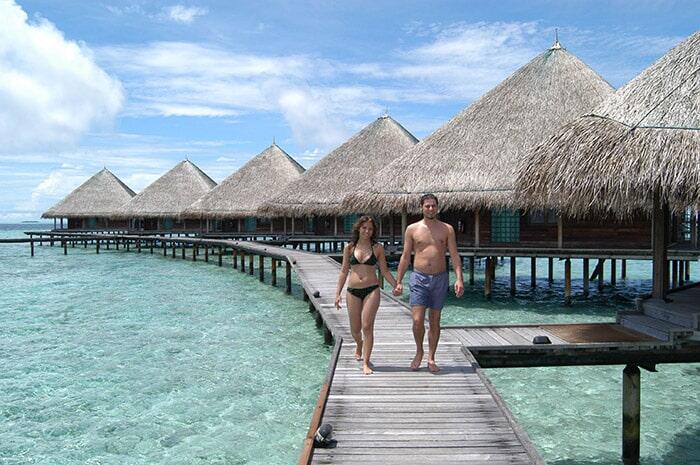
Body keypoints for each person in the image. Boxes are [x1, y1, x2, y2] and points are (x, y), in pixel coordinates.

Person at [393, 194, 464, 373]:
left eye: (433, 206)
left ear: (437, 207)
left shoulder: (447, 229)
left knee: (435, 320)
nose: (430, 209)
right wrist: (398, 281)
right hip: (419, 277)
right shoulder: (412, 229)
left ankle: (431, 357)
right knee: (417, 320)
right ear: (422, 207)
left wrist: (459, 279)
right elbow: (405, 256)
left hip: (440, 278)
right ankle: (419, 351)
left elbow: (454, 255)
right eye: (427, 206)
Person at [335, 216, 398, 375]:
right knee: (355, 329)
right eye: (364, 228)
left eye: (370, 229)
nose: (367, 231)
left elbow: (384, 271)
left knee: (367, 326)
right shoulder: (349, 248)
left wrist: (396, 284)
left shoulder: (377, 248)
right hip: (352, 291)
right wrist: (337, 293)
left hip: (372, 289)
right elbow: (344, 271)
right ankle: (359, 344)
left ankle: (366, 362)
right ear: (358, 228)